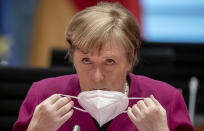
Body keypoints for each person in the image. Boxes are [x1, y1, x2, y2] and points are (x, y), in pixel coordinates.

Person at [13, 2, 194, 131]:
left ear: (130, 59)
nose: (97, 77)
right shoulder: (43, 95)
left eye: (109, 62)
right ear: (72, 57)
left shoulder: (166, 99)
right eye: (86, 61)